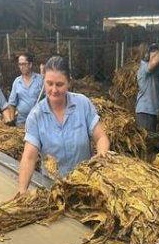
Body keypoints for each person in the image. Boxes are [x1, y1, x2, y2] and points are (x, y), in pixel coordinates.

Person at [18, 56, 110, 194]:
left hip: (85, 185)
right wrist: (22, 192)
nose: (54, 90)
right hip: (53, 189)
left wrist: (102, 155)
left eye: (59, 84)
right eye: (49, 84)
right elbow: (29, 157)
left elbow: (101, 137)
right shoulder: (36, 116)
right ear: (43, 81)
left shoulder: (82, 104)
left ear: (68, 83)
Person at [135, 43, 159, 132]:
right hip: (145, 112)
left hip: (153, 112)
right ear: (148, 56)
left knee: (152, 138)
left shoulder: (157, 68)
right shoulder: (144, 67)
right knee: (147, 138)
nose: (156, 58)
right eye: (153, 55)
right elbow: (153, 63)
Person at [8, 53, 44, 126]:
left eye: (24, 64)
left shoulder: (40, 80)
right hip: (21, 122)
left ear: (30, 64)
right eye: (20, 64)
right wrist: (12, 121)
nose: (21, 67)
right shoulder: (17, 82)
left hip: (39, 120)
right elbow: (12, 104)